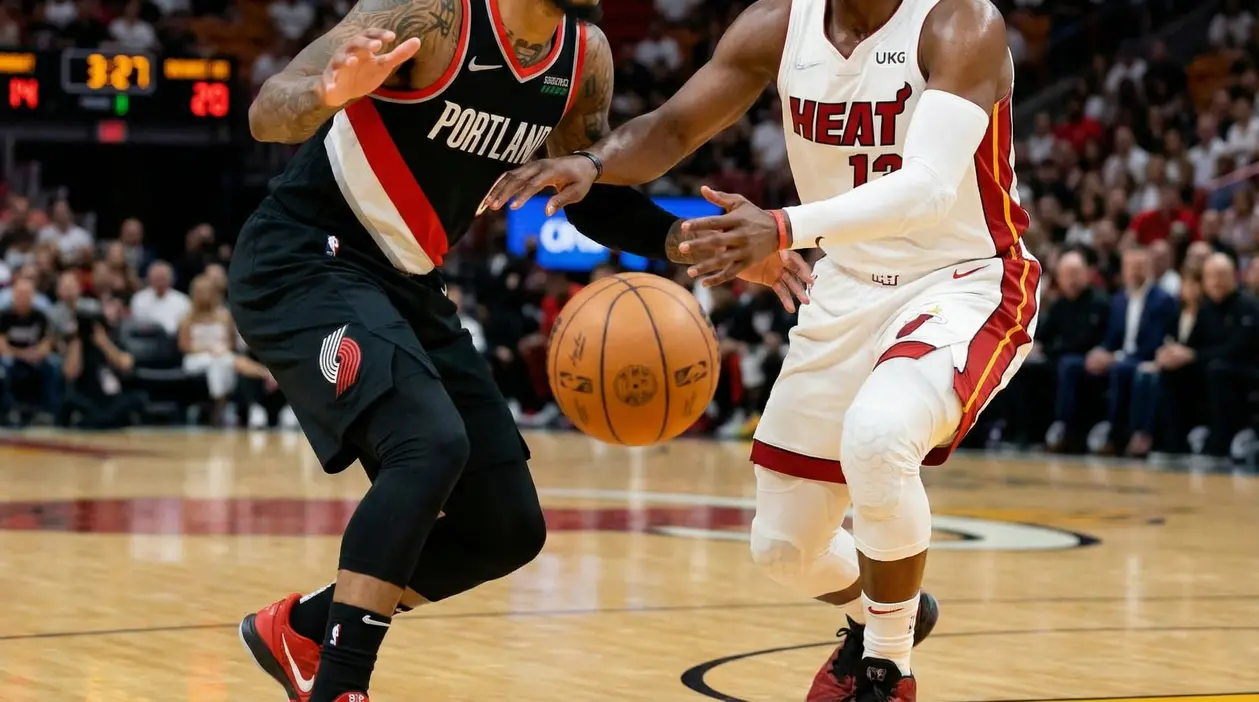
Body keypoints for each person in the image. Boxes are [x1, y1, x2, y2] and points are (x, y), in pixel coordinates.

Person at [227, 0, 812, 700]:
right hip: (304, 256)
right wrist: (327, 93)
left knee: (504, 526)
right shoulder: (429, 15)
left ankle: (302, 630)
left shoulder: (580, 56)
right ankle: (341, 686)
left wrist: (698, 245)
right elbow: (268, 109)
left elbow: (589, 195)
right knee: (428, 445)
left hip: (406, 281)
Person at [486, 0, 1039, 698]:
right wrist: (595, 165)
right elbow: (673, 127)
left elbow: (927, 188)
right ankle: (893, 609)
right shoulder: (777, 25)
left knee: (878, 435)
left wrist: (782, 226)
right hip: (846, 284)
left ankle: (885, 667)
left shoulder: (960, 24)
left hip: (959, 280)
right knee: (782, 548)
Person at [177, 275, 238, 425]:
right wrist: (208, 349)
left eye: (209, 291)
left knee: (223, 361)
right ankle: (221, 406)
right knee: (218, 362)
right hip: (195, 357)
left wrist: (222, 349)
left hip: (221, 354)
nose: (205, 295)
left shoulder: (225, 315)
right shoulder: (187, 318)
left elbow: (232, 343)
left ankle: (218, 406)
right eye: (201, 291)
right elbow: (184, 346)